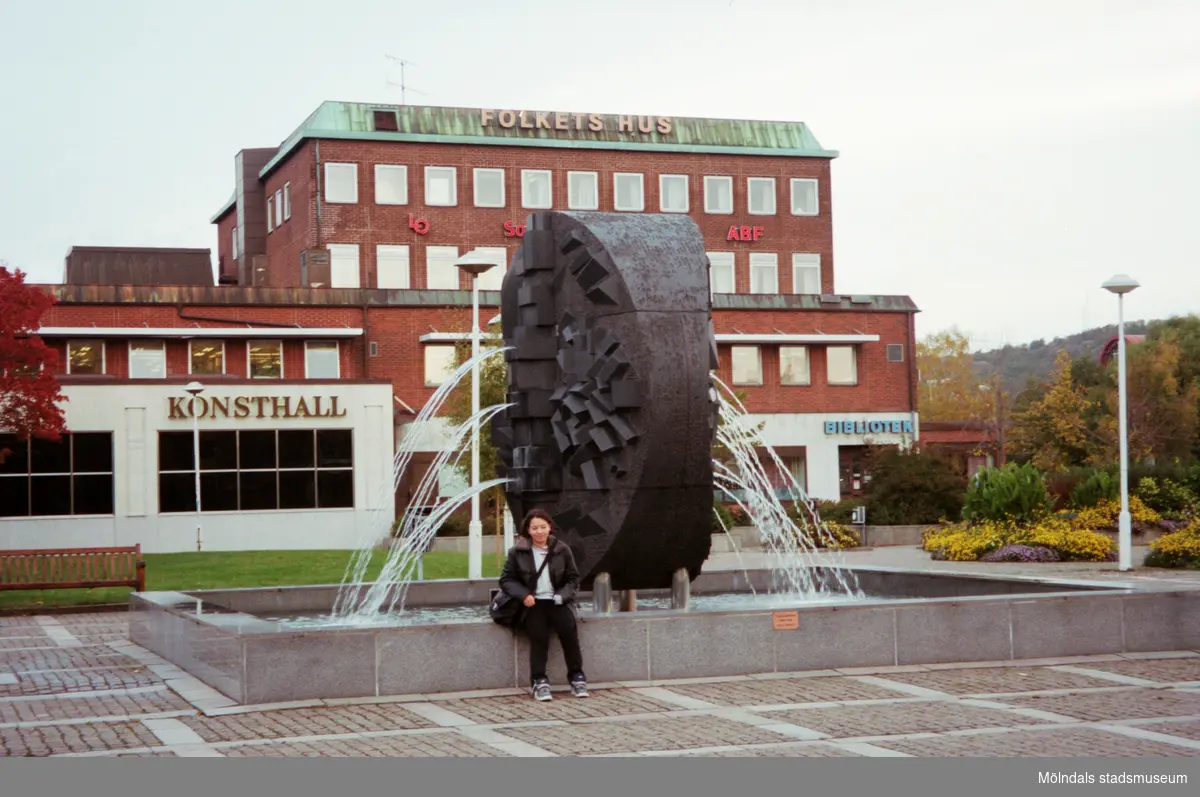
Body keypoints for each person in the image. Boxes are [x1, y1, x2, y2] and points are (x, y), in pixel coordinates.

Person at [498, 508, 589, 701]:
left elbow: (573, 578)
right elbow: (507, 580)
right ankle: (539, 682)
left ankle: (577, 678)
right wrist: (524, 595)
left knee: (570, 637)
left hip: (557, 602)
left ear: (550, 528)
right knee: (538, 640)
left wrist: (562, 596)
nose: (539, 532)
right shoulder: (518, 552)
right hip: (533, 604)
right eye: (534, 528)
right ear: (528, 530)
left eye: (543, 527)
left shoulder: (562, 549)